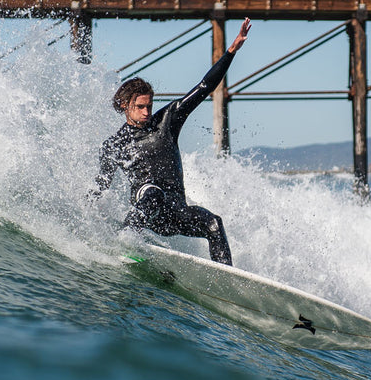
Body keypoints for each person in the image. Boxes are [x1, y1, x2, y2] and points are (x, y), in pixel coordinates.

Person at [90, 18, 252, 265]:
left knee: (213, 223)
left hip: (176, 212)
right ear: (125, 106)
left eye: (149, 106)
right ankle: (124, 239)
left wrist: (231, 52)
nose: (146, 112)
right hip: (147, 210)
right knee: (152, 193)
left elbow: (204, 87)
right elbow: (101, 185)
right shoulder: (114, 144)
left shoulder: (167, 121)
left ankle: (226, 277)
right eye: (139, 107)